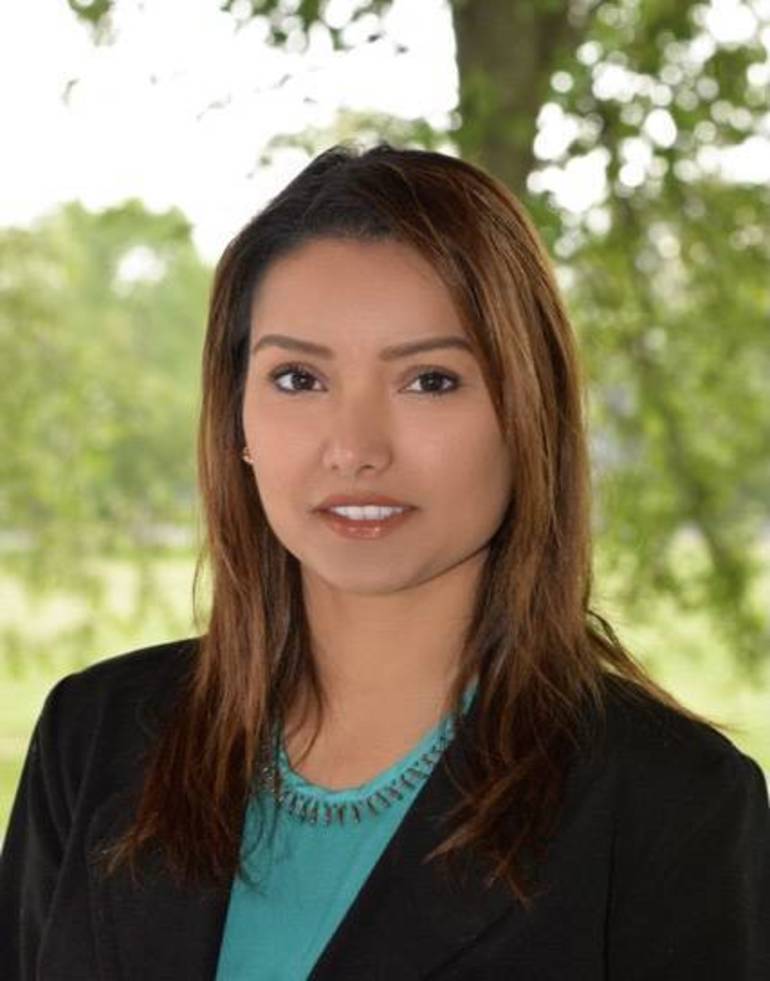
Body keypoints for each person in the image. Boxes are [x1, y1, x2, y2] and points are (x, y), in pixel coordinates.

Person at [0, 142, 768, 981]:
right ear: (238, 422)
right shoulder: (94, 734)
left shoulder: (673, 803)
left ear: (527, 413)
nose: (355, 449)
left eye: (430, 380)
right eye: (297, 377)